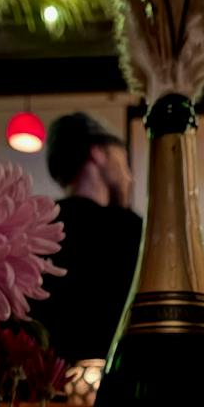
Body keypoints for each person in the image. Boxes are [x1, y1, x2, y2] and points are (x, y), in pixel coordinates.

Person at [28, 112, 142, 365]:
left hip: (47, 391)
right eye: (123, 160)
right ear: (98, 153)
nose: (129, 175)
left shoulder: (34, 228)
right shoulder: (129, 231)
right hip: (119, 388)